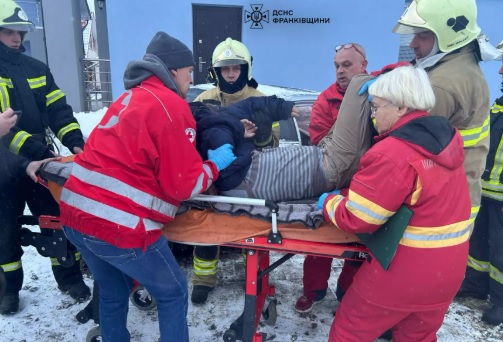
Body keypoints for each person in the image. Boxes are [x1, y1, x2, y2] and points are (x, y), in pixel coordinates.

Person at [59, 31, 237, 342]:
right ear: (174, 70)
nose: (190, 81)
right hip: (118, 225)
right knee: (173, 292)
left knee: (113, 292)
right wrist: (214, 165)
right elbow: (183, 185)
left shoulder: (130, 98)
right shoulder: (171, 105)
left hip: (75, 215)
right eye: (189, 73)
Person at [322, 65, 471, 341]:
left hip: (404, 274)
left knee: (350, 329)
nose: (373, 114)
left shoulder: (392, 153)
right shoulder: (445, 141)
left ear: (401, 107)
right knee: (417, 337)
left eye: (377, 107)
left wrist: (329, 203)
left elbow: (360, 217)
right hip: (448, 273)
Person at [0, 0, 89, 315]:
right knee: (4, 230)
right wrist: (36, 149)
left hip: (41, 163)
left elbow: (58, 110)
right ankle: (7, 291)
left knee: (58, 220)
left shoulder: (36, 69)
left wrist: (76, 142)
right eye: (8, 31)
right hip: (3, 166)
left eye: (20, 31)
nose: (16, 38)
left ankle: (70, 279)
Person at [191, 37, 281, 304]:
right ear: (216, 72)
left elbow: (273, 144)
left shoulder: (262, 100)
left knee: (250, 226)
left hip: (249, 176)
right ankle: (203, 280)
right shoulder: (204, 99)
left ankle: (254, 277)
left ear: (246, 69)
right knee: (205, 227)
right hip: (212, 176)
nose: (231, 74)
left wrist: (262, 131)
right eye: (225, 69)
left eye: (236, 68)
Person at [296, 42, 368, 313]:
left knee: (361, 242)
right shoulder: (325, 100)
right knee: (320, 237)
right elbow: (320, 142)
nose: (340, 71)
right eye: (337, 65)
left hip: (366, 183)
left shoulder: (379, 93)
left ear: (363, 65)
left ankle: (348, 292)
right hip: (332, 181)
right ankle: (313, 290)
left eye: (347, 65)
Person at [456, 40, 503, 325]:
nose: (499, 72)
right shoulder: (498, 106)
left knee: (501, 252)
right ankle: (476, 285)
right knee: (479, 245)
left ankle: (500, 300)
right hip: (485, 192)